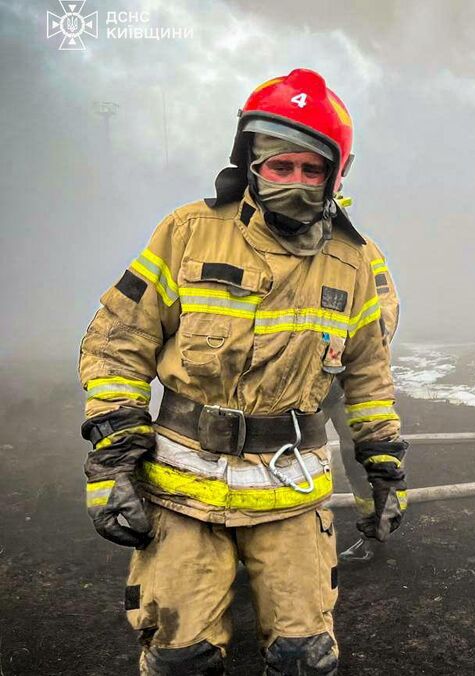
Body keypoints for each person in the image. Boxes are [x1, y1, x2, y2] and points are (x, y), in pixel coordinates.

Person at [78, 68, 407, 675]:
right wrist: (112, 457)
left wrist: (382, 462)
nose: (297, 183)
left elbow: (367, 374)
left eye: (313, 170)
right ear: (251, 162)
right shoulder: (187, 232)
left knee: (304, 660)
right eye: (281, 166)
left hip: (291, 493)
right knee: (181, 661)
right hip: (180, 488)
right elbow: (118, 343)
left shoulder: (355, 261)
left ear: (337, 174)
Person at [322, 197, 401, 564]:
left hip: (345, 383)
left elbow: (386, 306)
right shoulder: (267, 252)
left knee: (364, 457)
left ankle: (378, 529)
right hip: (292, 393)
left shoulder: (362, 250)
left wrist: (349, 345)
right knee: (280, 463)